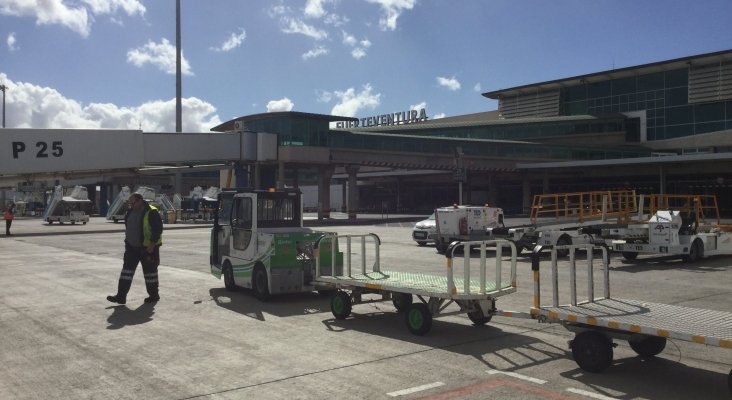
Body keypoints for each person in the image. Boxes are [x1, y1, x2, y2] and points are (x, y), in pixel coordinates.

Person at [107, 193, 163, 305]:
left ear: (140, 201)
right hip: (131, 248)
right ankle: (121, 296)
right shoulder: (130, 211)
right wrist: (127, 243)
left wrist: (152, 246)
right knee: (126, 273)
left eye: (133, 203)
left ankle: (154, 295)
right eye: (130, 203)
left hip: (147, 249)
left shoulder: (151, 211)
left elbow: (158, 229)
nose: (131, 205)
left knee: (150, 274)